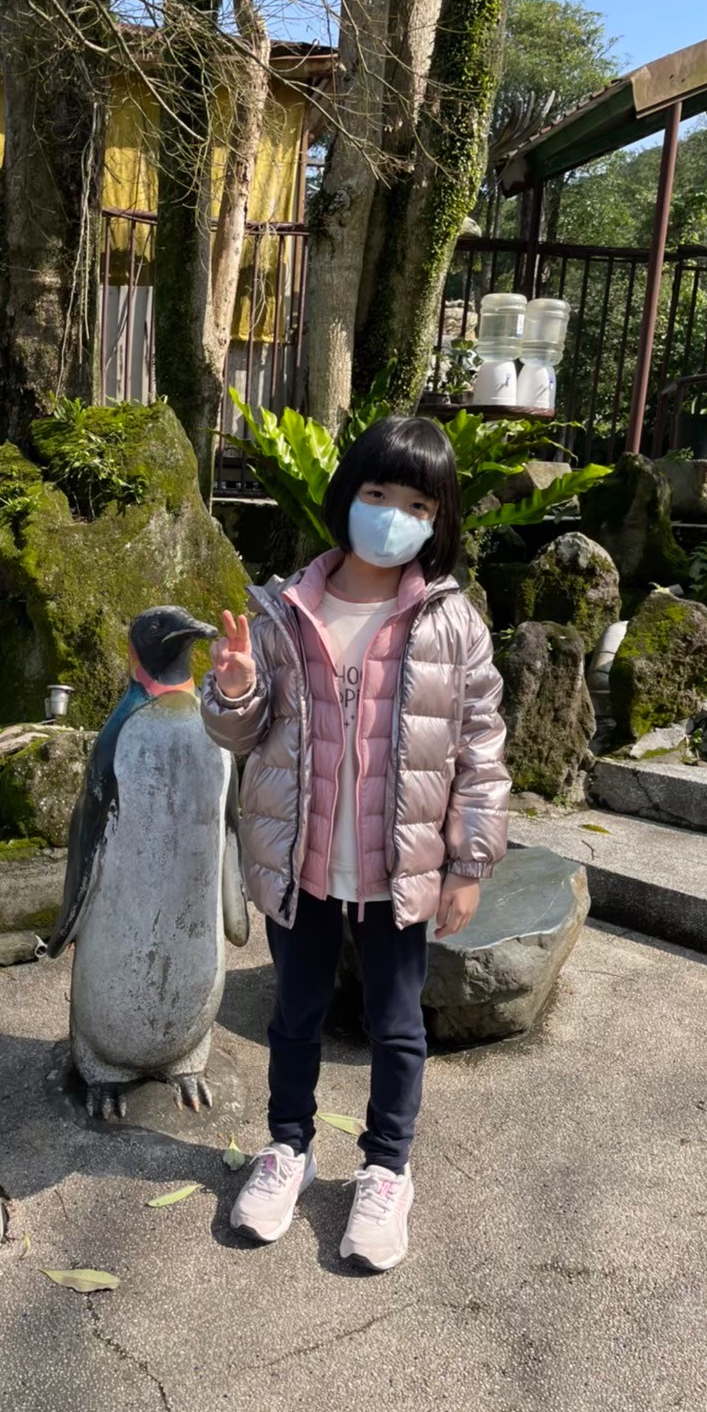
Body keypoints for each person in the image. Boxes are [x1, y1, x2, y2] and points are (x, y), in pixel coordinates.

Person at [201, 414, 509, 1272]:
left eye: (416, 504)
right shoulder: (282, 609)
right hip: (301, 861)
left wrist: (468, 863)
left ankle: (386, 1169)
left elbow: (481, 751)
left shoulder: (452, 623)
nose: (392, 516)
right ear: (347, 496)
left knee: (397, 1024)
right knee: (294, 1015)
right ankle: (287, 1149)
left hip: (397, 868)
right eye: (377, 493)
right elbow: (240, 734)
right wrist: (234, 689)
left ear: (438, 520)